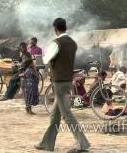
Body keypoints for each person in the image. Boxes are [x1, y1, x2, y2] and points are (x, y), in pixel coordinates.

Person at [35, 18, 90, 152]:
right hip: (67, 80)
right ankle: (46, 143)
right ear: (65, 27)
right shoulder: (72, 43)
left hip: (58, 81)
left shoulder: (57, 43)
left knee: (66, 114)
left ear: (56, 29)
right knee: (55, 115)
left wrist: (38, 60)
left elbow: (47, 59)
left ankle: (81, 143)